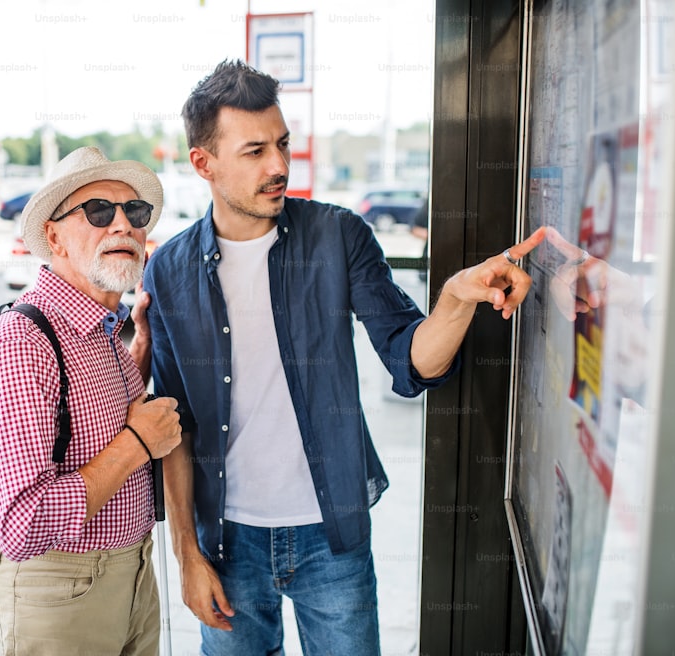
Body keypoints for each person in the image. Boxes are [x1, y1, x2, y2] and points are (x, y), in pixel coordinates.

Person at [140, 60, 546, 655]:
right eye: (254, 151)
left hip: (331, 535)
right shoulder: (169, 270)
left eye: (281, 144)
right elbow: (171, 428)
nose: (279, 165)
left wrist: (456, 299)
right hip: (226, 542)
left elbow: (414, 360)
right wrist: (187, 557)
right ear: (204, 164)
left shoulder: (338, 236)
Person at [0, 146, 182, 655]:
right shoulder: (23, 344)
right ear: (54, 237)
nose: (123, 225)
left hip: (133, 573)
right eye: (99, 212)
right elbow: (21, 524)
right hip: (59, 594)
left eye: (136, 212)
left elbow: (96, 422)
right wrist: (136, 444)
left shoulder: (103, 331)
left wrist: (142, 350)